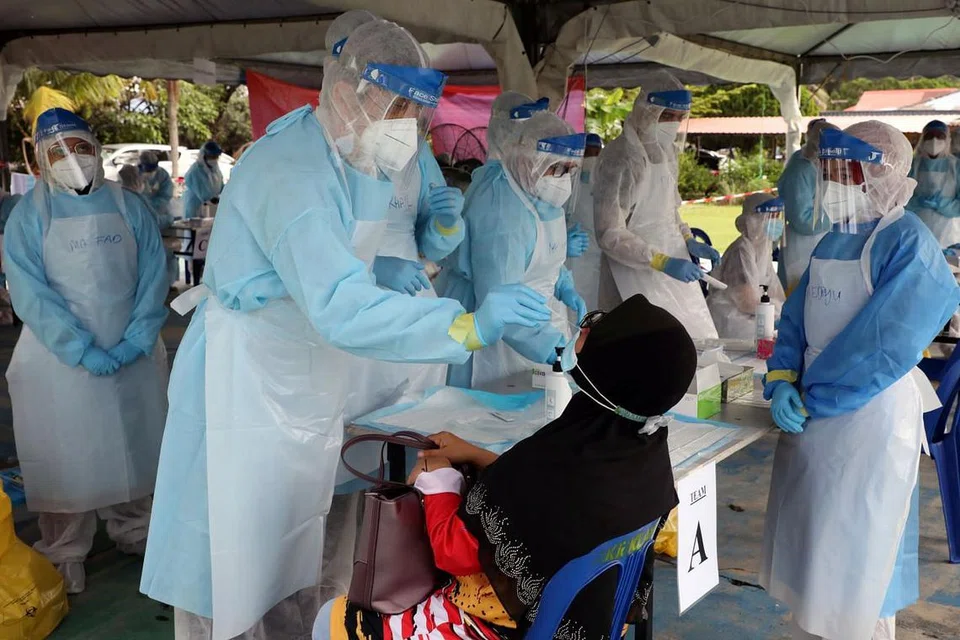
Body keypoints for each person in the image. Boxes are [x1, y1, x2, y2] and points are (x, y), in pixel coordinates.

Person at [139, 20, 552, 640]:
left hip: (303, 367)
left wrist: (402, 257)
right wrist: (464, 325)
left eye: (416, 113)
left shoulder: (350, 158)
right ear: (346, 91)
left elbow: (342, 272)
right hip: (247, 376)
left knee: (300, 531)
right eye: (397, 107)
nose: (407, 126)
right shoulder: (291, 168)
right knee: (232, 546)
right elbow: (339, 303)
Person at [312, 294, 697, 640]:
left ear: (611, 369)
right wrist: (476, 454)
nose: (582, 330)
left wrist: (438, 480)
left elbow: (454, 552)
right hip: (587, 625)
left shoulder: (550, 463)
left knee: (331, 618)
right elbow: (544, 496)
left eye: (594, 328)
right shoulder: (644, 455)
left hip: (490, 628)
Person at [761, 122, 960, 640]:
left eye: (844, 171)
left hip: (868, 417)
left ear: (880, 173)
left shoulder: (908, 242)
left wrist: (813, 395)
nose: (833, 182)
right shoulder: (834, 239)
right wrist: (781, 379)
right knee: (815, 550)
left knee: (861, 557)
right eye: (830, 170)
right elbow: (796, 319)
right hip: (813, 413)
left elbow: (879, 348)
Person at [4, 108, 169, 594]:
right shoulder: (29, 216)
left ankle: (136, 530)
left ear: (95, 149)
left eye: (80, 148)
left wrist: (139, 335)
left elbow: (153, 273)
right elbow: (29, 292)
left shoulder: (129, 205)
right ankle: (64, 551)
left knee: (134, 444)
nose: (72, 160)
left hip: (131, 355)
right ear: (41, 159)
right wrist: (78, 347)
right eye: (58, 152)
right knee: (65, 455)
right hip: (58, 362)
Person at [462, 112, 587, 391]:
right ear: (527, 160)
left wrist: (563, 285)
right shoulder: (503, 215)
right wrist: (551, 347)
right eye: (556, 168)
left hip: (542, 326)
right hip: (507, 338)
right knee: (505, 406)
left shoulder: (539, 199)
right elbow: (500, 301)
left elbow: (542, 259)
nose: (563, 179)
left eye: (570, 170)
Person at [593, 71, 719, 339]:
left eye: (679, 117)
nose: (673, 124)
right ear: (647, 111)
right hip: (631, 268)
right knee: (643, 344)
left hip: (674, 263)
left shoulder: (667, 152)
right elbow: (610, 233)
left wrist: (688, 239)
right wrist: (660, 260)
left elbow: (670, 211)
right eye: (667, 115)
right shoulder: (621, 157)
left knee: (692, 339)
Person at [707, 194, 786, 339]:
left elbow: (773, 289)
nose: (777, 222)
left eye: (777, 216)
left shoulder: (762, 249)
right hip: (732, 314)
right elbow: (746, 301)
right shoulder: (741, 251)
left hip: (754, 311)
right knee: (769, 338)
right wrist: (774, 314)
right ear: (755, 219)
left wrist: (782, 311)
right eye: (771, 216)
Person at [777, 119, 839, 294]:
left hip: (815, 241)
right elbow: (802, 219)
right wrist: (836, 215)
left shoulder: (814, 163)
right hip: (802, 245)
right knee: (799, 293)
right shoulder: (801, 169)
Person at [566, 132, 602, 317]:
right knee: (579, 297)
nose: (591, 158)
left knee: (593, 298)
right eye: (588, 153)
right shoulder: (567, 179)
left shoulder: (605, 179)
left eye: (595, 153)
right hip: (577, 249)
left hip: (595, 250)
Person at [907, 120, 960, 248]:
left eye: (939, 136)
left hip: (949, 234)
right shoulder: (912, 165)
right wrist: (915, 202)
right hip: (916, 230)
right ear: (923, 139)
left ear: (947, 139)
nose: (934, 141)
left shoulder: (956, 166)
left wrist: (942, 204)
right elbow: (900, 199)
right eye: (929, 136)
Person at [182, 140, 224, 219]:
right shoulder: (195, 171)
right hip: (195, 207)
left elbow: (220, 187)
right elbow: (203, 194)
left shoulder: (215, 170)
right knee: (194, 225)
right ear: (203, 156)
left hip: (210, 208)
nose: (214, 159)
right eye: (211, 157)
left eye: (216, 157)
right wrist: (212, 199)